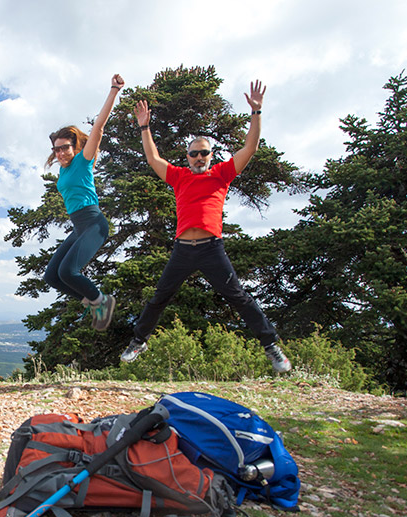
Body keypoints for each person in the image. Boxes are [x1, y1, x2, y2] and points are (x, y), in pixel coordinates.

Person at [120, 81, 292, 373]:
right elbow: (153, 158)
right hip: (183, 250)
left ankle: (271, 347)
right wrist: (144, 127)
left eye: (204, 153)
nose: (199, 157)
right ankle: (139, 341)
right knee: (159, 296)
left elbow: (250, 147)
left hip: (212, 249)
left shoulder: (222, 174)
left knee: (239, 297)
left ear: (211, 155)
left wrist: (257, 112)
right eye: (194, 153)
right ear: (187, 157)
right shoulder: (179, 177)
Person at [43, 75, 123, 331]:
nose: (60, 153)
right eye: (56, 149)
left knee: (69, 272)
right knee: (52, 276)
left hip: (93, 224)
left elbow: (98, 127)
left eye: (65, 147)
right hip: (78, 227)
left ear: (75, 146)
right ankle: (94, 303)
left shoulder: (83, 160)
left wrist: (113, 91)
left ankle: (103, 301)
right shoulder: (63, 172)